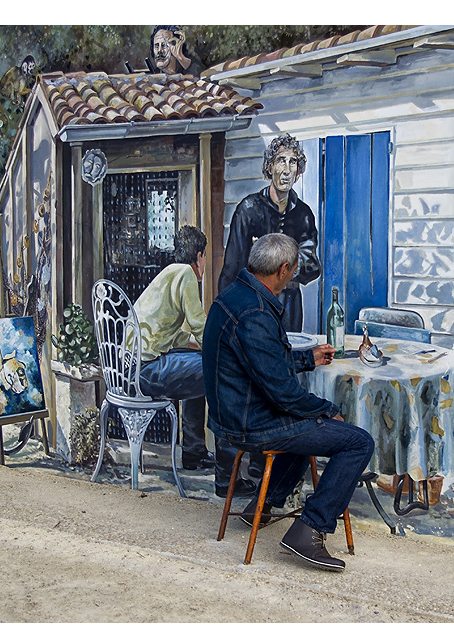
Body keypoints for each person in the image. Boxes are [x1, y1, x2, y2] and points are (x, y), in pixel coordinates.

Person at [203, 233, 374, 572]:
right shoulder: (255, 312)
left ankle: (263, 506)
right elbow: (283, 393)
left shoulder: (235, 297)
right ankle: (309, 529)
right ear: (283, 270)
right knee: (357, 443)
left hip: (235, 414)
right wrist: (327, 410)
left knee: (308, 429)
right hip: (250, 423)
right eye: (294, 270)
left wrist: (305, 359)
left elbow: (262, 363)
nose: (294, 275)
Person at [133, 225, 257, 498]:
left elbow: (168, 330)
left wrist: (199, 346)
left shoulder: (168, 273)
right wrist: (226, 352)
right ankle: (227, 478)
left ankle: (194, 452)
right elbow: (200, 324)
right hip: (147, 371)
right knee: (221, 372)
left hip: (133, 368)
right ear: (199, 256)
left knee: (199, 366)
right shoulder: (186, 274)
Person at [217, 133, 321, 334]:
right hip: (253, 306)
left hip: (289, 307)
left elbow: (312, 266)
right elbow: (232, 269)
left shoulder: (304, 214)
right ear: (270, 166)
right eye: (281, 160)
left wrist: (271, 262)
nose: (286, 170)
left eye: (293, 163)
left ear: (298, 172)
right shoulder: (248, 209)